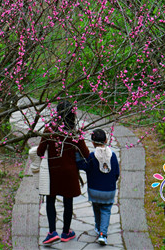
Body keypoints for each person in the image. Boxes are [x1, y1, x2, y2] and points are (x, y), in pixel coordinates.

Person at [37, 101, 89, 245]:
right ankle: (66, 232)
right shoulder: (75, 133)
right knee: (68, 201)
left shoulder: (49, 131)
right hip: (70, 173)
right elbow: (86, 154)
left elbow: (39, 152)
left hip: (53, 172)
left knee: (50, 200)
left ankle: (52, 232)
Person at [76, 129, 120, 246]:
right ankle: (103, 234)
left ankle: (98, 226)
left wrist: (77, 154)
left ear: (93, 142)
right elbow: (116, 173)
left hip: (94, 190)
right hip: (108, 190)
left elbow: (82, 165)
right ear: (106, 140)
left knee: (96, 207)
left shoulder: (91, 156)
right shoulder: (113, 156)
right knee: (106, 210)